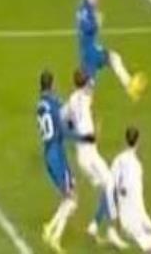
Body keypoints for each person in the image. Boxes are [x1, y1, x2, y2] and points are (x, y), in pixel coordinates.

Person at [62, 69, 129, 250]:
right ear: (84, 84)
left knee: (108, 188)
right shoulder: (85, 97)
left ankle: (94, 227)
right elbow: (91, 86)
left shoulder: (72, 101)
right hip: (89, 156)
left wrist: (73, 127)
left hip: (86, 155)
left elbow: (63, 119)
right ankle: (112, 230)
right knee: (111, 186)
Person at [76, 0, 147, 101]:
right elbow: (85, 27)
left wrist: (96, 22)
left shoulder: (87, 7)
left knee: (114, 58)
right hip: (89, 53)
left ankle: (129, 86)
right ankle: (76, 107)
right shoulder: (84, 9)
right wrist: (97, 23)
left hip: (91, 50)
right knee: (88, 90)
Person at [37, 70, 81, 253]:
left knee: (69, 196)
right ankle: (53, 235)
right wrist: (81, 136)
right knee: (72, 200)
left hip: (50, 153)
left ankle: (50, 231)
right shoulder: (55, 103)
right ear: (52, 84)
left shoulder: (40, 104)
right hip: (57, 156)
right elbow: (65, 125)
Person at [111, 127, 151, 254]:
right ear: (138, 141)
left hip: (128, 216)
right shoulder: (137, 166)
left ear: (125, 140)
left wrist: (115, 216)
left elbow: (112, 189)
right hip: (134, 217)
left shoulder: (117, 161)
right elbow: (135, 195)